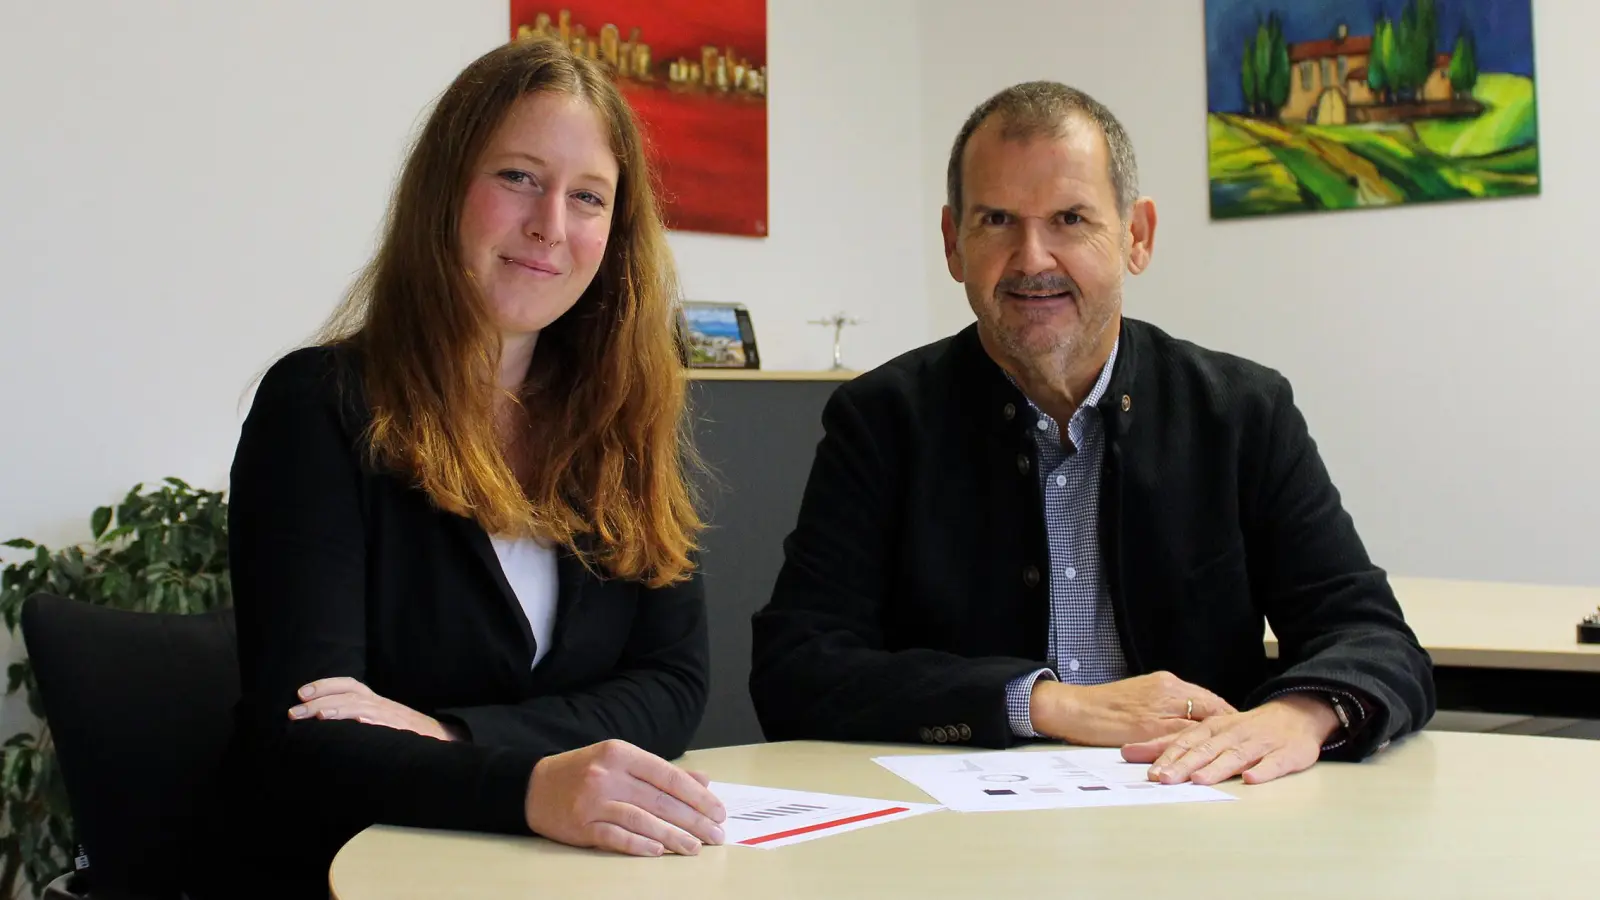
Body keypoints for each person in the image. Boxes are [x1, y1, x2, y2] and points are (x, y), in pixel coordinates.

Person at [748, 81, 1434, 788]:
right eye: (996, 220)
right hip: (962, 846)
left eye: (1070, 219)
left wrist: (1300, 714)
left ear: (1137, 237)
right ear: (953, 244)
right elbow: (797, 667)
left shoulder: (1242, 412)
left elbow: (1375, 639)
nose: (1032, 258)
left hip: (1207, 826)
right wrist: (1048, 705)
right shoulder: (883, 419)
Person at [195, 36, 726, 899]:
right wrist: (530, 784)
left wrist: (449, 735)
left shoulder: (622, 422)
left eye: (587, 197)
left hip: (550, 875)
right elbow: (308, 731)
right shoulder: (322, 406)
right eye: (518, 176)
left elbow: (672, 685)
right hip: (346, 869)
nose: (551, 225)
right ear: (445, 190)